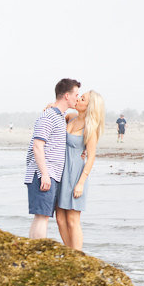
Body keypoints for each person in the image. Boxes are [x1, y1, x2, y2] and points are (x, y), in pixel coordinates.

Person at [25, 78, 80, 239]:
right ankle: (37, 254)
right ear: (67, 96)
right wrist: (45, 174)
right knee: (42, 217)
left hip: (49, 174)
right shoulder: (49, 116)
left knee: (42, 216)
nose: (78, 97)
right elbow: (37, 146)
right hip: (43, 174)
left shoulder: (59, 116)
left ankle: (34, 253)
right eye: (76, 94)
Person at [56, 90, 105, 251]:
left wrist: (81, 183)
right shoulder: (70, 117)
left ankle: (77, 256)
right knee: (60, 218)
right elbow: (57, 117)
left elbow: (91, 157)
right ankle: (69, 252)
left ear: (89, 106)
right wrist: (51, 107)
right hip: (62, 172)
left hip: (76, 173)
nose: (77, 99)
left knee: (72, 219)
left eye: (82, 98)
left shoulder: (90, 128)